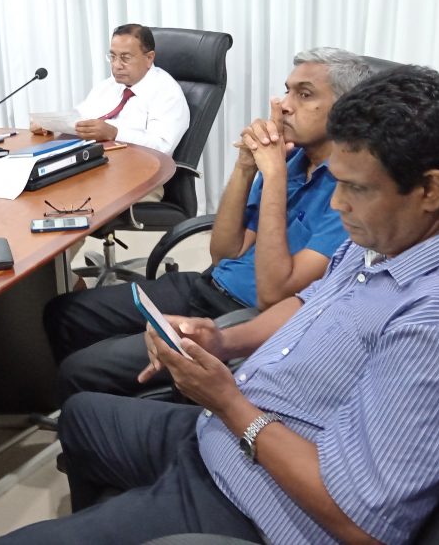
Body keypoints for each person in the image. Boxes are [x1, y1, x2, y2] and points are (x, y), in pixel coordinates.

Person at [0, 65, 439, 545]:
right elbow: (307, 300)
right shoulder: (396, 236)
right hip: (227, 437)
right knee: (83, 416)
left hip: (257, 504)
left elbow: (362, 522)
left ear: (430, 190)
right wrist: (222, 339)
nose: (339, 204)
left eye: (355, 189)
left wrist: (229, 402)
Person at [46, 48, 372, 402]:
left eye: (304, 95)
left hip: (244, 315)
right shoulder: (291, 161)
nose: (284, 105)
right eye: (287, 91)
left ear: (347, 110)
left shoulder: (351, 192)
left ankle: (103, 412)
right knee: (65, 313)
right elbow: (224, 252)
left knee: (80, 371)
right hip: (208, 285)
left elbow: (273, 295)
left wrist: (274, 176)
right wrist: (246, 167)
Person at [31, 24, 189, 157]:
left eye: (125, 58)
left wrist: (114, 133)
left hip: (140, 172)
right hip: (97, 162)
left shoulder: (167, 93)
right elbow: (80, 116)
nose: (116, 65)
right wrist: (51, 124)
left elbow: (162, 147)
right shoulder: (109, 86)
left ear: (149, 58)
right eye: (113, 57)